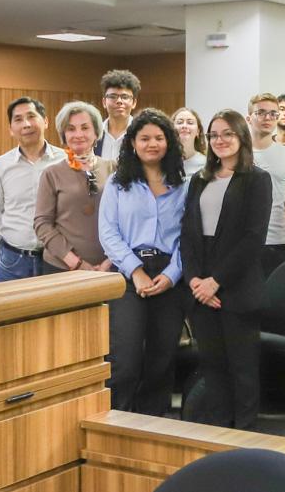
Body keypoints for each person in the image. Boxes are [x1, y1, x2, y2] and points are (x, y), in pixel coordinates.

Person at [182, 109, 273, 430]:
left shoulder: (257, 179)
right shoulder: (199, 180)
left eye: (227, 134)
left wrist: (215, 282)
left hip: (237, 289)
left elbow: (253, 238)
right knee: (213, 368)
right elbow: (188, 234)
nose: (220, 141)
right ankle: (219, 432)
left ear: (241, 137)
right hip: (200, 290)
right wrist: (194, 279)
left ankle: (246, 438)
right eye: (214, 135)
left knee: (242, 370)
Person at [98, 108, 188, 416]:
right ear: (132, 143)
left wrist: (173, 274)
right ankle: (116, 423)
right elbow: (108, 232)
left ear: (169, 142)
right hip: (127, 277)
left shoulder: (184, 184)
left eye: (159, 138)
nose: (152, 144)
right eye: (145, 138)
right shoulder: (117, 182)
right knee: (126, 360)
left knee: (162, 361)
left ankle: (153, 428)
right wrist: (134, 271)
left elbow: (188, 238)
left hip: (170, 278)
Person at [0, 97, 67, 281]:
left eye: (32, 116)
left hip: (57, 260)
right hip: (14, 260)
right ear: (11, 129)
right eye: (18, 119)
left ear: (45, 122)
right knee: (11, 310)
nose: (26, 124)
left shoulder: (66, 161)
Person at [35, 101, 115, 275]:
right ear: (64, 134)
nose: (78, 134)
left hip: (110, 267)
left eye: (85, 128)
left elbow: (127, 221)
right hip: (62, 268)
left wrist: (111, 261)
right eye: (71, 129)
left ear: (96, 132)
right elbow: (42, 224)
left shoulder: (114, 169)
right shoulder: (51, 174)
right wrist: (77, 263)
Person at [248, 93, 285, 277]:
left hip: (275, 241)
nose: (267, 118)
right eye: (261, 112)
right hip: (240, 241)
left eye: (273, 113)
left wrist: (281, 228)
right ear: (249, 118)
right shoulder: (237, 153)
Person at [95, 69, 141, 161]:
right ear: (104, 102)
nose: (119, 101)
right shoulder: (94, 134)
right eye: (113, 97)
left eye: (125, 97)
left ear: (134, 103)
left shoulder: (141, 132)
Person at [173, 107, 207, 176]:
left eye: (190, 123)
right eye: (179, 122)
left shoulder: (206, 164)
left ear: (198, 131)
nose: (184, 126)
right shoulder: (163, 163)